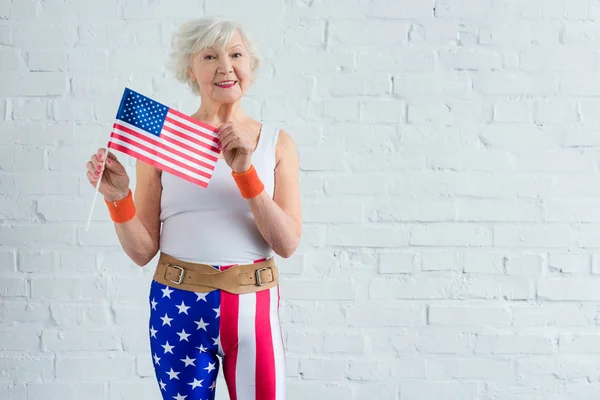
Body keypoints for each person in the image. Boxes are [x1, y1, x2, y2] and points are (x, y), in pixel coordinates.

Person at [85, 16, 301, 400]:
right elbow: (142, 251)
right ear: (190, 68)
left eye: (236, 54)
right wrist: (118, 198)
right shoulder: (164, 141)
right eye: (209, 56)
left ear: (250, 64)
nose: (225, 67)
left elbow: (286, 244)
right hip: (178, 303)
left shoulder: (276, 143)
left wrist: (245, 172)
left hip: (253, 305)